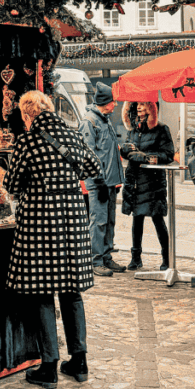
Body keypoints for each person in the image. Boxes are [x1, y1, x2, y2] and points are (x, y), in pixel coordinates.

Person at [5, 91, 101, 389]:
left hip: (39, 220)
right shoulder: (72, 136)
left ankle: (48, 366)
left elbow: (11, 183)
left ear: (27, 114)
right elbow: (94, 168)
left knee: (42, 291)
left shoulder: (27, 141)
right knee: (71, 290)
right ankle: (79, 360)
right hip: (72, 220)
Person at [119, 101, 176, 271]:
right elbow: (129, 150)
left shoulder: (161, 129)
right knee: (137, 219)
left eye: (144, 105)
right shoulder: (134, 128)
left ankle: (167, 258)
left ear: (152, 108)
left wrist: (146, 157)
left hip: (153, 182)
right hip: (135, 181)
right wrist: (126, 150)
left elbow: (168, 155)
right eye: (137, 104)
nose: (139, 107)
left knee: (158, 219)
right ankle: (136, 258)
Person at [78, 84, 125, 276]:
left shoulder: (104, 120)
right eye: (113, 101)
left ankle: (106, 256)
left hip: (110, 182)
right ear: (105, 102)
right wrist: (99, 182)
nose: (115, 104)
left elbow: (109, 152)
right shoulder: (90, 122)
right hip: (99, 184)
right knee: (98, 222)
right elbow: (88, 155)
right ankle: (95, 260)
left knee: (109, 222)